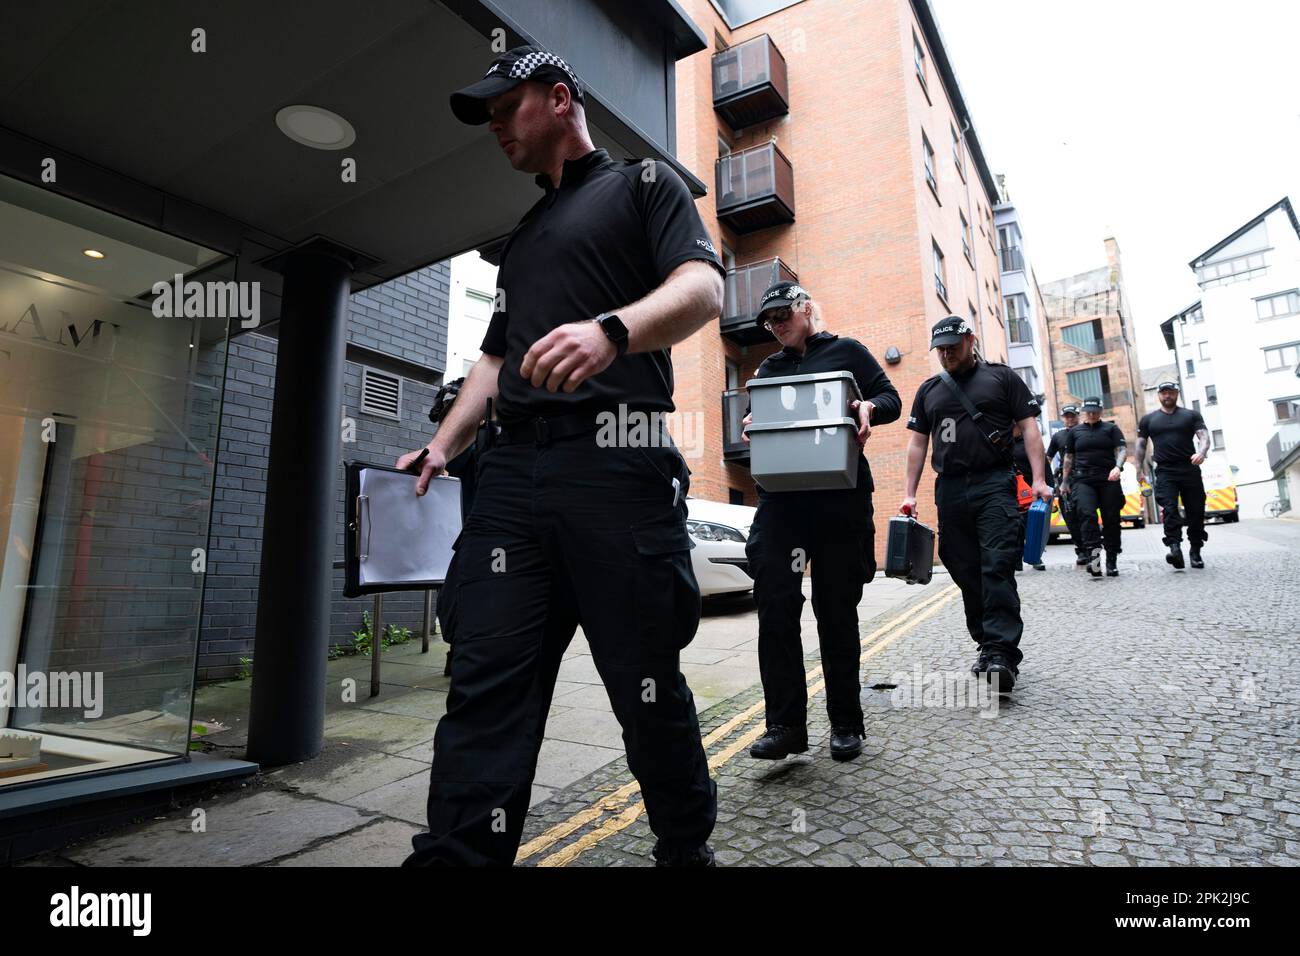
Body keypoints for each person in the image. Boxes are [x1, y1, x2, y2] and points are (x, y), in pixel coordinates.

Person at [399, 45, 725, 867]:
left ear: (558, 97)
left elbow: (703, 289)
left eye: (504, 108)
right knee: (485, 689)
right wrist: (443, 445)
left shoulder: (645, 186)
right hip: (511, 481)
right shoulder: (524, 236)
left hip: (617, 472)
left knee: (644, 687)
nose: (495, 128)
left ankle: (685, 847)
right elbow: (495, 362)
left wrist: (612, 330)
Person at [738, 281, 900, 762]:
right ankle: (786, 726)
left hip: (839, 498)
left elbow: (889, 397)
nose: (777, 325)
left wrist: (869, 407)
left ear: (806, 308)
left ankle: (846, 723)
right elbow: (756, 414)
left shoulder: (847, 351)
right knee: (775, 604)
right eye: (770, 320)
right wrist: (750, 422)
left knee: (835, 611)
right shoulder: (769, 367)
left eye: (783, 314)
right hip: (782, 502)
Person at [900, 317, 1050, 693]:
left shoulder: (1002, 378)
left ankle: (1001, 652)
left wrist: (1039, 480)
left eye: (953, 345)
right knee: (962, 565)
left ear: (970, 340)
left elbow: (1030, 427)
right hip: (949, 488)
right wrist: (909, 493)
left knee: (997, 563)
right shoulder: (929, 389)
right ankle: (985, 641)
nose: (946, 353)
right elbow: (918, 443)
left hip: (994, 483)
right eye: (941, 348)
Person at [1134, 381, 1211, 569]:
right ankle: (1175, 548)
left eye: (1171, 392)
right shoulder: (1148, 420)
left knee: (1195, 511)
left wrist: (1201, 453)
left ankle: (1195, 551)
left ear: (1177, 393)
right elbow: (1140, 445)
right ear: (1158, 395)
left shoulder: (1191, 415)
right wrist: (1139, 471)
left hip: (1189, 468)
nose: (1167, 395)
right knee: (1169, 509)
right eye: (1164, 393)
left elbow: (1204, 437)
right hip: (1165, 470)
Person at [1059, 397, 1126, 578]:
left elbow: (1122, 450)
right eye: (1088, 411)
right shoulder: (1075, 432)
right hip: (1083, 480)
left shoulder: (1111, 429)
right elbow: (1068, 458)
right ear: (1083, 412)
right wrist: (1065, 482)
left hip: (1108, 479)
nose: (1091, 414)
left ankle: (1111, 561)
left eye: (1095, 411)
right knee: (1087, 515)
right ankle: (1094, 560)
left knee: (1111, 518)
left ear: (1101, 411)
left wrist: (1117, 467)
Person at [1046, 404, 1090, 566]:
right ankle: (1081, 549)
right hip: (1066, 482)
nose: (1070, 420)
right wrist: (1044, 478)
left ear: (1078, 416)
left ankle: (1090, 547)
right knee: (1070, 517)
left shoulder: (1086, 432)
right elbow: (1048, 458)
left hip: (1085, 478)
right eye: (1067, 416)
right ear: (1063, 418)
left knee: (1086, 514)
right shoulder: (1058, 437)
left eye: (1073, 416)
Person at [1012, 421, 1054, 572]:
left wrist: (1049, 490)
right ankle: (1016, 560)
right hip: (1011, 492)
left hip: (1033, 492)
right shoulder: (1003, 443)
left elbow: (1044, 467)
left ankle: (1035, 556)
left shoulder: (1030, 442)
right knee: (1015, 527)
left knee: (1032, 526)